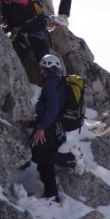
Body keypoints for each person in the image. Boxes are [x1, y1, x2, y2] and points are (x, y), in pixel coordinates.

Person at [20, 54, 84, 204]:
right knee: (44, 163)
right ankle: (52, 196)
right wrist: (31, 124)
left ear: (46, 68)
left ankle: (72, 159)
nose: (41, 71)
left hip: (51, 129)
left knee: (38, 156)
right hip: (54, 128)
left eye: (42, 68)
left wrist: (41, 128)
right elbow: (51, 110)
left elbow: (53, 108)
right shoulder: (56, 84)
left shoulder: (50, 85)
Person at [0, 0, 50, 64]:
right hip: (21, 36)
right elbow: (7, 21)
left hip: (36, 32)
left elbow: (21, 0)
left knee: (45, 62)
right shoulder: (4, 6)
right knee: (13, 60)